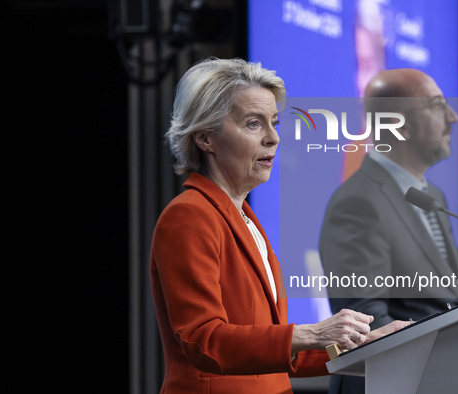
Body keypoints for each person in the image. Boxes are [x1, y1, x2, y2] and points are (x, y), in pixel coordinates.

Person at [149, 58, 409, 394]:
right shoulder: (189, 215)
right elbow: (203, 340)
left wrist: (365, 346)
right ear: (204, 138)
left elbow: (276, 354)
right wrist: (313, 333)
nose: (273, 138)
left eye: (274, 122)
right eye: (253, 124)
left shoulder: (244, 220)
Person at [319, 68, 458, 394]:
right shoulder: (358, 201)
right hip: (388, 383)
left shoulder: (433, 196)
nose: (453, 117)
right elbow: (366, 320)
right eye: (437, 105)